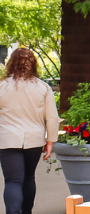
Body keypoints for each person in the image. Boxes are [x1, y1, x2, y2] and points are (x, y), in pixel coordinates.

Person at [0, 48, 59, 214]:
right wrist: (50, 141)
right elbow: (52, 118)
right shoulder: (43, 88)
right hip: (34, 140)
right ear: (34, 64)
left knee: (13, 181)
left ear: (11, 64)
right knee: (28, 177)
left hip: (7, 140)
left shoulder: (2, 87)